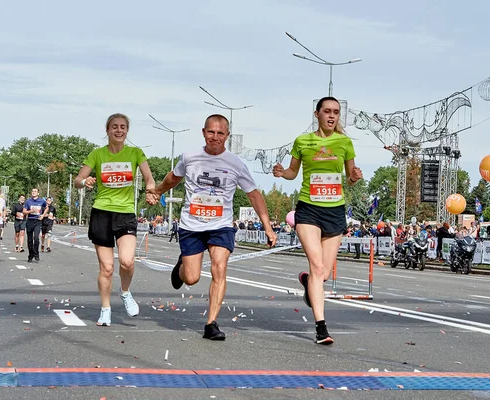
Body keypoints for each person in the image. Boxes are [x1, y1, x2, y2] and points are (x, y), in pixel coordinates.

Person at [148, 114, 277, 341]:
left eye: (220, 133)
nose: (215, 137)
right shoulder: (189, 158)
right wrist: (158, 191)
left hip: (221, 225)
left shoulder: (236, 164)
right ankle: (181, 266)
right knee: (191, 278)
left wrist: (267, 226)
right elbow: (172, 178)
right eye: (211, 132)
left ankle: (211, 324)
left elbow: (254, 195)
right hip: (192, 225)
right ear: (203, 132)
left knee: (219, 268)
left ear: (227, 136)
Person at [273, 96, 362, 345]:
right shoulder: (303, 141)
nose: (332, 116)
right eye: (327, 111)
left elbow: (351, 177)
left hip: (334, 210)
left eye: (336, 112)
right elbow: (293, 173)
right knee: (318, 266)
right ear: (317, 114)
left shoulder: (345, 143)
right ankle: (321, 327)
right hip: (309, 209)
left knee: (322, 274)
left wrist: (355, 176)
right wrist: (282, 173)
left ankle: (307, 281)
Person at [75, 113, 156, 327]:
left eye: (123, 127)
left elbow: (149, 178)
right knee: (107, 268)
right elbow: (77, 180)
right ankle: (105, 309)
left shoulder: (136, 153)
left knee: (128, 261)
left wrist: (150, 190)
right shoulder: (97, 154)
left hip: (125, 213)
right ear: (107, 130)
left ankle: (125, 291)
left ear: (127, 131)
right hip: (101, 212)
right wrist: (86, 181)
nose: (119, 130)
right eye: (114, 127)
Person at [23, 188, 47, 263]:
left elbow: (46, 207)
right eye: (32, 191)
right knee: (29, 239)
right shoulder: (28, 201)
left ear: (38, 193)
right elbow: (24, 212)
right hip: (30, 220)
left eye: (35, 191)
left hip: (37, 221)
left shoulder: (42, 201)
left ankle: (36, 254)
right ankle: (30, 255)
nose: (33, 192)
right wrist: (30, 211)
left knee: (36, 238)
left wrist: (43, 215)